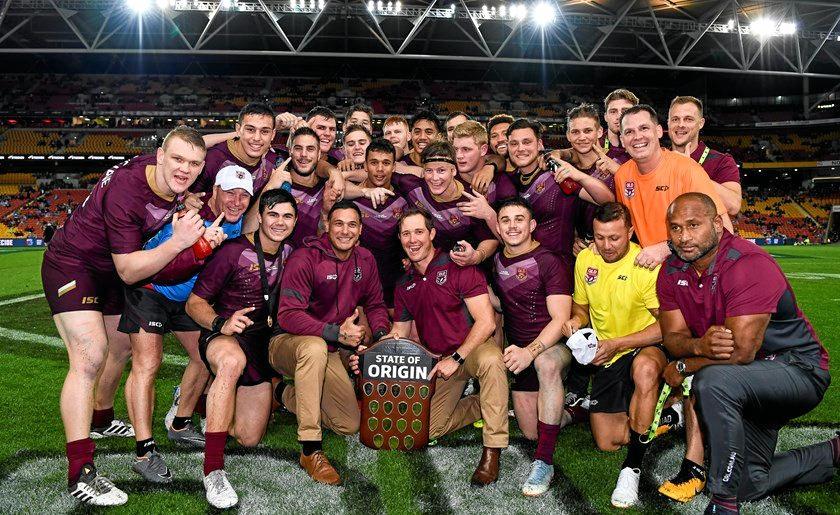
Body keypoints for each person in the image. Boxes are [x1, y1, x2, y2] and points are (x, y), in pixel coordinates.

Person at [41, 125, 208, 505]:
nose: (185, 169)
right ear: (160, 156)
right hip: (75, 263)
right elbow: (131, 271)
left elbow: (200, 145)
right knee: (89, 355)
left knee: (121, 348)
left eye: (194, 163)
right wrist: (182, 240)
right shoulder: (128, 190)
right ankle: (81, 472)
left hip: (112, 267)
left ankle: (100, 419)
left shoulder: (171, 172)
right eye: (177, 159)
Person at [658, 192, 837, 514]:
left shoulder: (747, 263)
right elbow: (672, 337)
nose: (683, 237)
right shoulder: (671, 269)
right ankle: (833, 453)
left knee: (712, 380)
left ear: (717, 223)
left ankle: (723, 503)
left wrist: (686, 363)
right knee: (749, 484)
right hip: (746, 384)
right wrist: (697, 346)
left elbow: (741, 352)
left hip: (796, 369)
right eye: (675, 228)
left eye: (693, 225)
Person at [121, 166, 252, 483]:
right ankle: (144, 451)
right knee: (148, 363)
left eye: (244, 195)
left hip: (186, 300)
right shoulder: (190, 217)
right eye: (229, 192)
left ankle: (180, 423)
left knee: (203, 356)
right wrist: (196, 245)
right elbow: (151, 261)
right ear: (214, 192)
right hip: (151, 291)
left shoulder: (234, 224)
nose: (236, 201)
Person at [185, 188, 298, 508]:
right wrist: (221, 323)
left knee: (249, 437)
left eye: (287, 215)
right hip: (226, 336)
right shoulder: (233, 252)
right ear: (260, 216)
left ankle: (212, 402)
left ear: (295, 221)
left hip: (262, 343)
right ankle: (213, 471)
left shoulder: (292, 254)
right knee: (232, 362)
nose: (279, 221)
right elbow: (195, 303)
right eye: (272, 214)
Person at [562, 202, 678, 508]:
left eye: (614, 237)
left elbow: (666, 327)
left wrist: (618, 343)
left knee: (645, 370)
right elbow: (581, 306)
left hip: (643, 345)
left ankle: (633, 466)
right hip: (609, 355)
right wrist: (576, 321)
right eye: (600, 237)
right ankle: (668, 413)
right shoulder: (586, 259)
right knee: (607, 441)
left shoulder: (645, 266)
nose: (607, 245)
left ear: (629, 231)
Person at [268, 200, 391, 486]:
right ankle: (310, 448)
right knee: (314, 347)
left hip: (331, 347)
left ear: (360, 230)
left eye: (352, 225)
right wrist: (337, 333)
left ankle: (282, 392)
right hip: (287, 343)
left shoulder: (365, 259)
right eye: (339, 223)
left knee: (347, 424)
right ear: (327, 226)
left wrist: (381, 337)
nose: (345, 231)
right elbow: (287, 315)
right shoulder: (305, 258)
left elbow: (375, 304)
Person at [391, 208, 508, 485]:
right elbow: (399, 333)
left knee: (492, 361)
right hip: (441, 360)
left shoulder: (458, 266)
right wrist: (368, 351)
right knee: (427, 428)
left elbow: (486, 322)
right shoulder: (404, 283)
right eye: (406, 234)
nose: (413, 239)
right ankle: (488, 404)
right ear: (400, 239)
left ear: (431, 234)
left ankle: (492, 449)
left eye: (419, 231)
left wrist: (457, 357)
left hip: (473, 348)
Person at [492, 198, 573, 496]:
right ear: (498, 226)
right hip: (521, 354)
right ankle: (574, 411)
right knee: (530, 431)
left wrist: (530, 352)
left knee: (546, 364)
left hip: (554, 348)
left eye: (519, 219)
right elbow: (503, 302)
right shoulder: (498, 260)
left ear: (532, 225)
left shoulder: (548, 261)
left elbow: (560, 318)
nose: (512, 225)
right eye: (506, 220)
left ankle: (544, 462)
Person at [614, 105, 733, 270]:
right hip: (649, 272)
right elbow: (626, 228)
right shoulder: (622, 175)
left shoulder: (687, 169)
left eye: (644, 128)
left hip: (691, 270)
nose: (637, 136)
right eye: (629, 132)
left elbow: (724, 229)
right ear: (622, 139)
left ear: (658, 131)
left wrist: (666, 248)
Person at [506, 118, 614, 258]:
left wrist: (578, 176)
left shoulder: (556, 172)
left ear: (539, 144)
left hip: (559, 263)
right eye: (514, 144)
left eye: (527, 142)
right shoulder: (512, 178)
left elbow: (607, 200)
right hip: (526, 264)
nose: (520, 149)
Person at [393, 141, 498, 267]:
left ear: (453, 171)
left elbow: (491, 239)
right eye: (429, 170)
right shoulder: (412, 187)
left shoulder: (471, 199)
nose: (435, 178)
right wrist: (364, 191)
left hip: (465, 270)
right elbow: (379, 172)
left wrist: (476, 256)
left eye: (441, 170)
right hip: (430, 268)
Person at [350, 138, 409, 310]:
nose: (380, 169)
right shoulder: (351, 198)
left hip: (396, 282)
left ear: (394, 167)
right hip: (359, 285)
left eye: (386, 163)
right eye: (374, 163)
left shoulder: (404, 199)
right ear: (366, 166)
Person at [668, 95, 742, 216]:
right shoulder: (659, 159)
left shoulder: (722, 161)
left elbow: (733, 206)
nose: (680, 124)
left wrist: (690, 170)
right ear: (668, 122)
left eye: (688, 119)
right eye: (675, 119)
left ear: (701, 123)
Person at [452, 120, 517, 205]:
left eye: (466, 149)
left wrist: (489, 215)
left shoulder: (502, 184)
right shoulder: (445, 176)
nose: (458, 155)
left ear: (483, 150)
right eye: (456, 149)